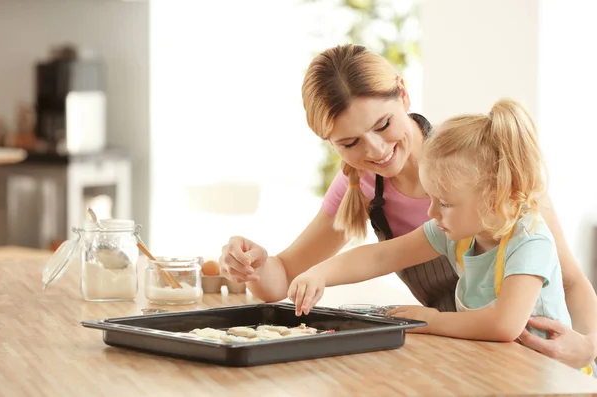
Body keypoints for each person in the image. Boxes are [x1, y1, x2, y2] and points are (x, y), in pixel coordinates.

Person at [218, 44, 597, 370]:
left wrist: (591, 347)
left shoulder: (488, 169)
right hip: (464, 356)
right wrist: (256, 263)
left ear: (403, 93)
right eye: (350, 143)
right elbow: (351, 262)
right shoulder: (364, 187)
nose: (376, 151)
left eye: (383, 125)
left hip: (531, 361)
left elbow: (570, 283)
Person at [286, 98, 591, 373]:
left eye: (444, 203)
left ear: (494, 195)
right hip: (502, 369)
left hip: (550, 378)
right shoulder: (458, 233)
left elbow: (504, 324)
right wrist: (320, 273)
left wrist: (428, 319)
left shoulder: (529, 240)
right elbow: (382, 255)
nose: (431, 212)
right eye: (431, 198)